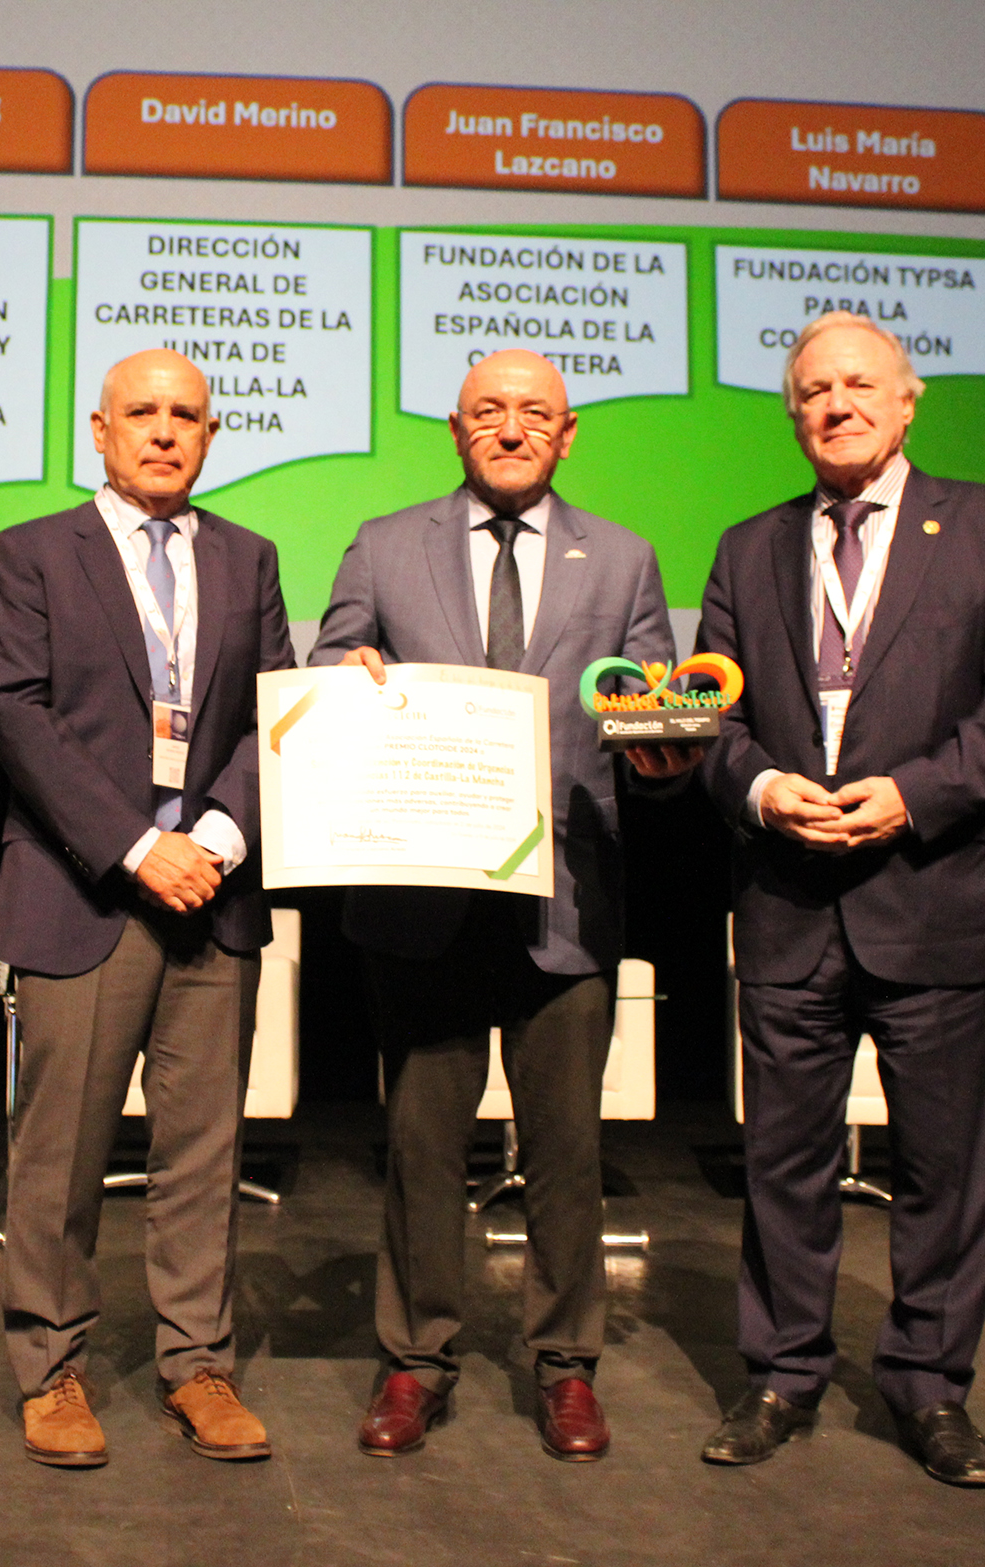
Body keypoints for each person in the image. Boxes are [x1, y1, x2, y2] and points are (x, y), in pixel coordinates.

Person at [694, 312, 985, 1484]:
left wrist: (910, 795)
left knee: (949, 1173)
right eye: (811, 390)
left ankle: (928, 1388)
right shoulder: (746, 546)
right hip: (792, 900)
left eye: (858, 385)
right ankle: (783, 1375)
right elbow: (707, 716)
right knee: (782, 1163)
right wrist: (756, 790)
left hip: (940, 893)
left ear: (907, 403)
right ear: (791, 413)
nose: (834, 404)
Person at [310, 349, 696, 1463]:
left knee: (567, 1152)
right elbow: (333, 667)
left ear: (567, 434)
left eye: (535, 413)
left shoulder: (620, 558)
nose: (512, 428)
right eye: (489, 411)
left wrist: (664, 751)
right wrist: (353, 676)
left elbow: (645, 707)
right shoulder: (386, 543)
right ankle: (414, 1360)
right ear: (456, 428)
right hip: (420, 902)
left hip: (567, 905)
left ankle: (566, 1368)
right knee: (421, 1146)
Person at [0, 349, 294, 1468]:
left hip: (212, 894)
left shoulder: (250, 559)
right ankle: (50, 1368)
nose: (164, 432)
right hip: (85, 891)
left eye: (187, 416)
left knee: (203, 1152)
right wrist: (134, 847)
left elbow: (272, 720)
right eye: (141, 414)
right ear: (98, 433)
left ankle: (196, 1363)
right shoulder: (29, 554)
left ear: (212, 435)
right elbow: (18, 716)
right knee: (58, 1152)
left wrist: (209, 840)